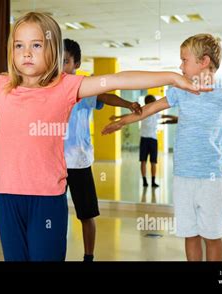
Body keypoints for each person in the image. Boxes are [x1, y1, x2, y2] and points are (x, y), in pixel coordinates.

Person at [0, 12, 204, 261]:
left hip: (47, 198)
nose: (26, 53)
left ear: (53, 50)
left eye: (36, 45)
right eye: (19, 45)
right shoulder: (1, 86)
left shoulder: (66, 86)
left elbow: (117, 79)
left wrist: (171, 77)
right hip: (9, 196)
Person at [103, 33, 222, 261]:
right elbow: (151, 109)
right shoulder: (180, 91)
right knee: (190, 235)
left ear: (204, 62)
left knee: (212, 237)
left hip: (213, 180)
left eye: (184, 60)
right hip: (183, 178)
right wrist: (122, 121)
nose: (180, 66)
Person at [62, 38, 141, 261]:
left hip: (78, 162)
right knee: (53, 214)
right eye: (57, 61)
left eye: (65, 61)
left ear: (76, 63)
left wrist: (127, 104)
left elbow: (105, 95)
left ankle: (89, 256)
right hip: (54, 163)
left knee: (86, 215)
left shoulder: (84, 86)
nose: (61, 66)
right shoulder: (50, 86)